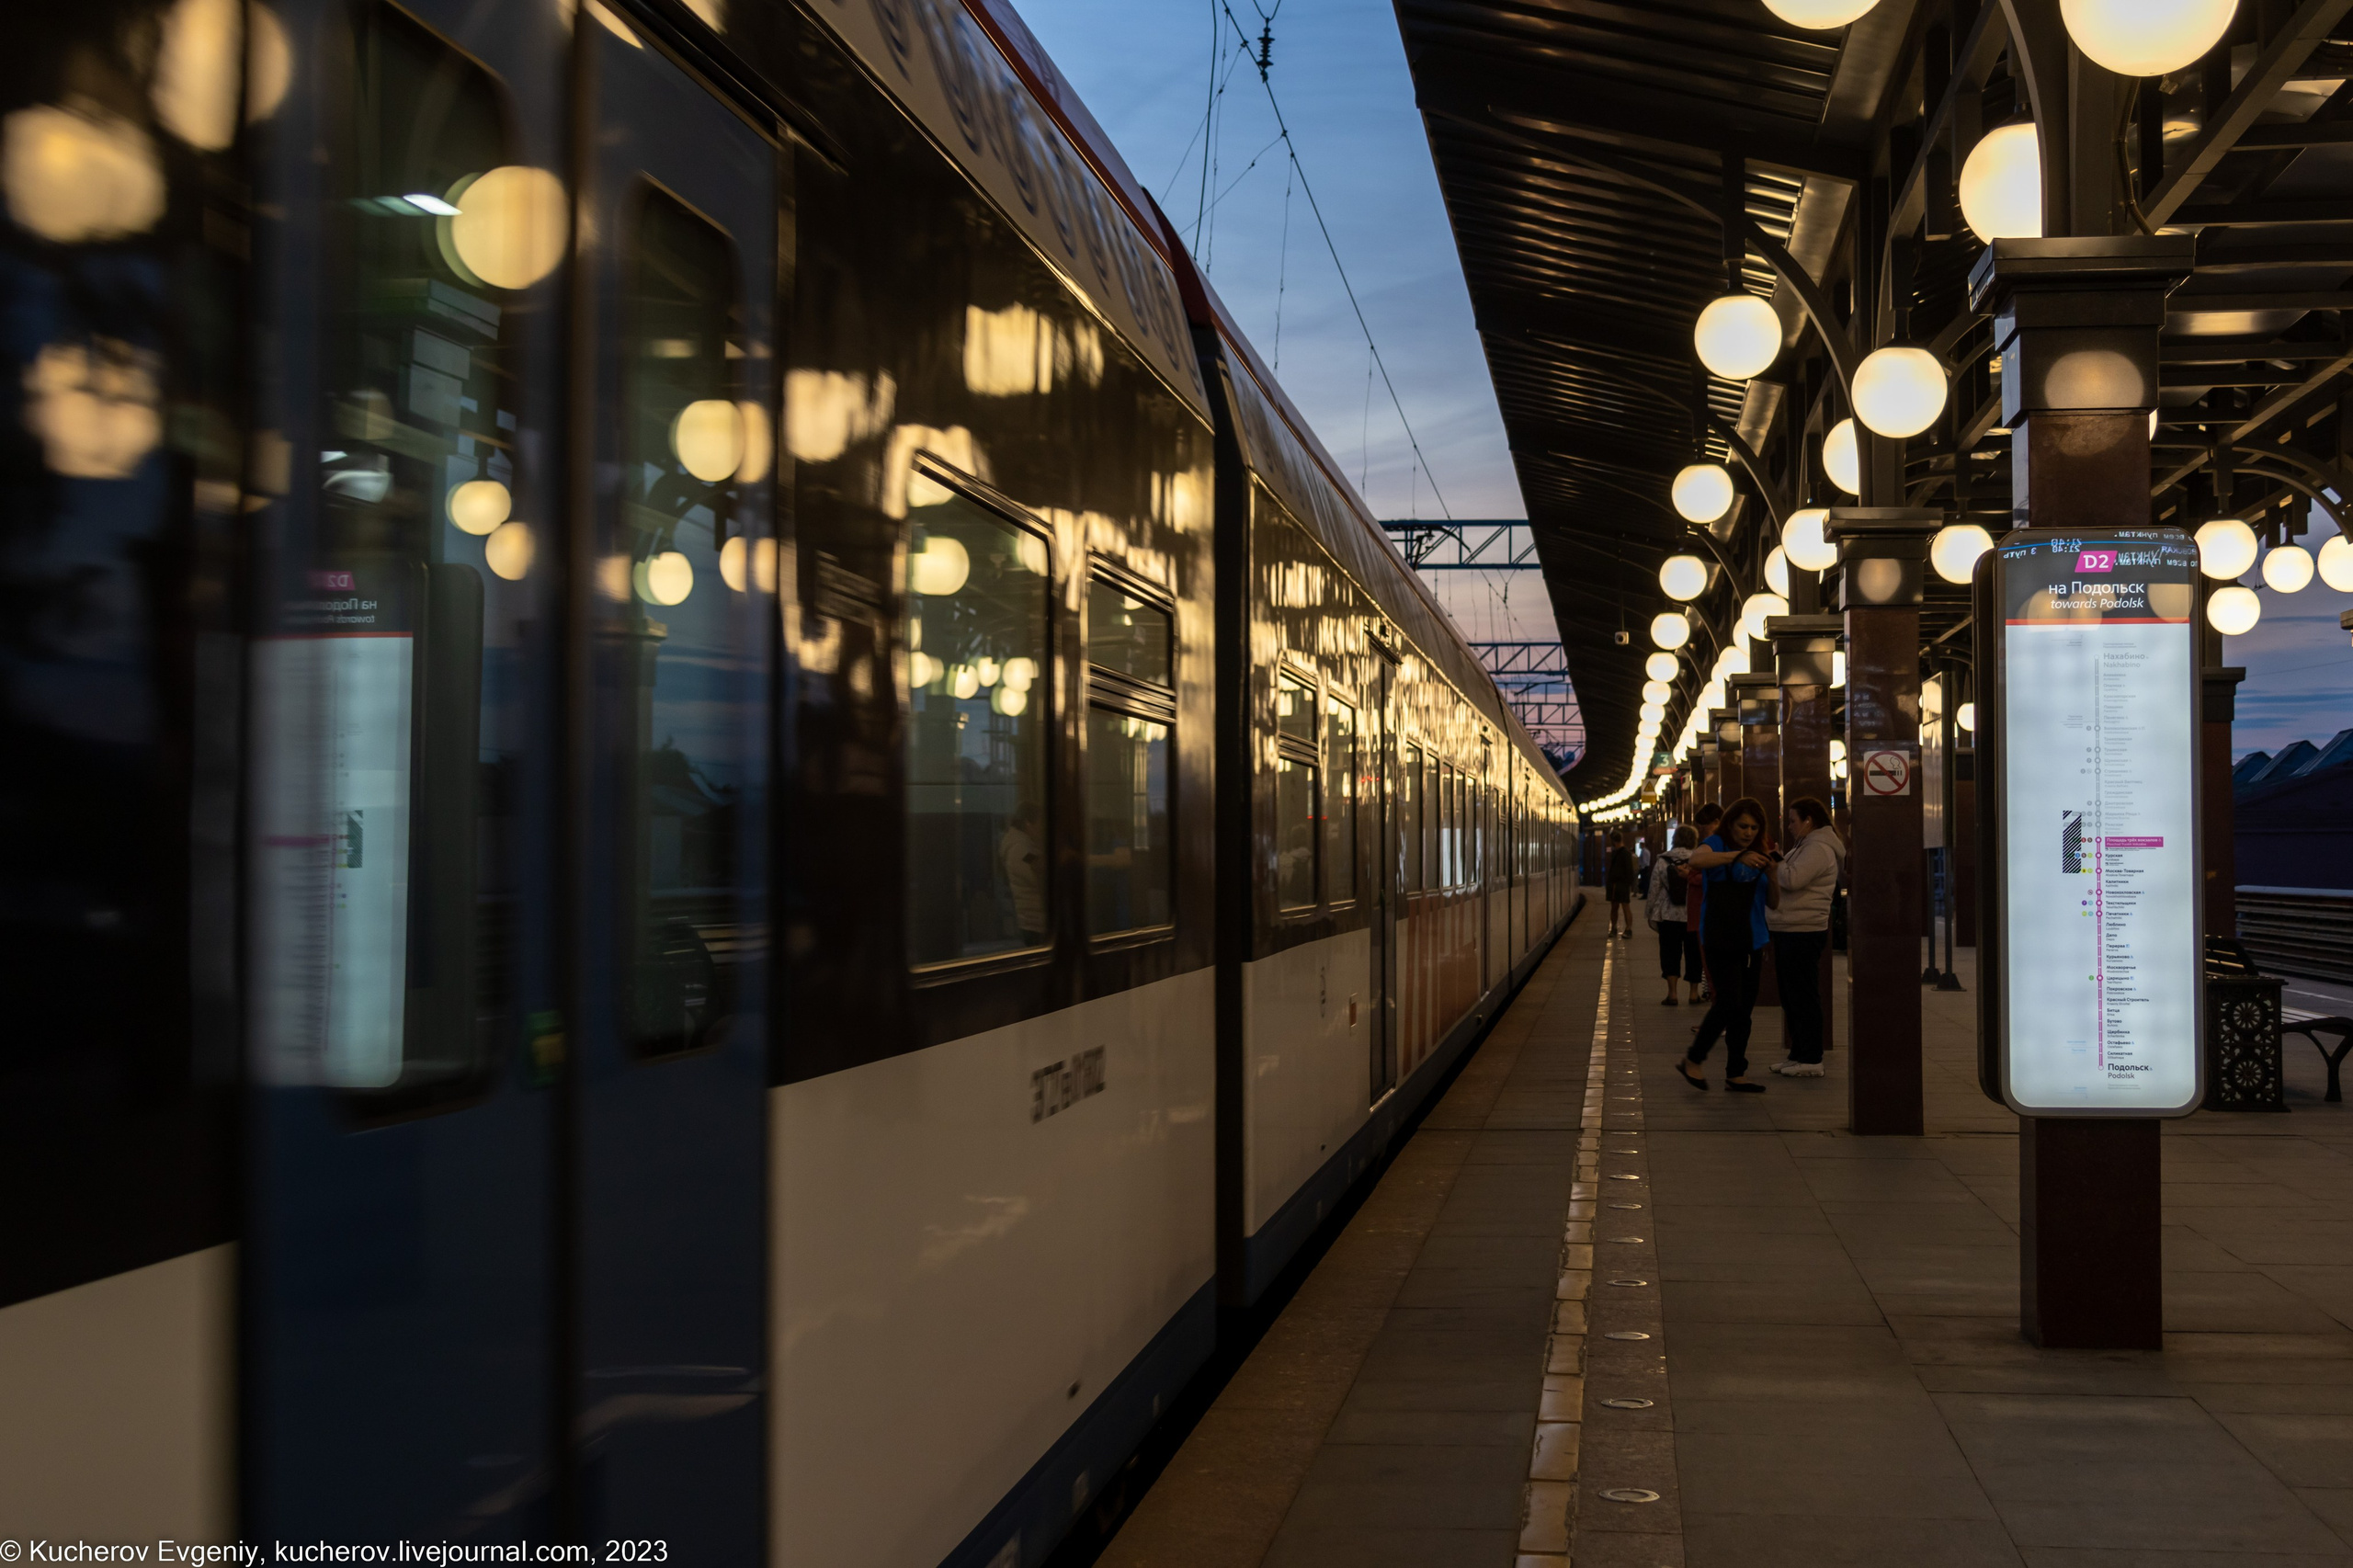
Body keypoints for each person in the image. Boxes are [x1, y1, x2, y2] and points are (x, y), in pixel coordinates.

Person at [1676, 797, 1777, 1093]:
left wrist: (1772, 876)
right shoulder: (1716, 843)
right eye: (1743, 826)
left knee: (1744, 1009)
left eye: (1754, 828)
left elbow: (1773, 902)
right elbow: (1696, 860)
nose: (1747, 832)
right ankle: (1693, 1059)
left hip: (1753, 937)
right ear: (1730, 823)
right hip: (1720, 936)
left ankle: (1736, 1072)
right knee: (1729, 1000)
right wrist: (1737, 856)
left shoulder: (1760, 851)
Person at [1768, 797, 1846, 1077]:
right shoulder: (1805, 846)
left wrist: (1776, 862)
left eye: (1792, 820)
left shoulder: (1819, 848)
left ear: (1809, 820)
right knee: (1791, 996)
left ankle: (1812, 1057)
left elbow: (1792, 880)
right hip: (1790, 928)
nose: (1788, 826)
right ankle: (1798, 1053)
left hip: (1804, 930)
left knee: (1803, 995)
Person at [1646, 824, 1701, 1005]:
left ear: (1674, 839)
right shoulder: (1699, 859)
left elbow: (1654, 889)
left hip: (1668, 915)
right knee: (1694, 954)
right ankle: (1694, 994)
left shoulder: (1663, 861)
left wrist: (1650, 913)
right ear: (1694, 840)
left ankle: (1673, 994)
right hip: (1694, 914)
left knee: (1670, 953)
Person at [1000, 801, 1048, 947]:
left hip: (1034, 920)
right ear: (1028, 824)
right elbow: (1039, 871)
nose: (1043, 828)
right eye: (1040, 823)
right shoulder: (1021, 849)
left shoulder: (1022, 846)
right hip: (1035, 922)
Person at [1604, 828, 1635, 937]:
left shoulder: (1623, 853)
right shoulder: (1622, 852)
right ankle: (1626, 929)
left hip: (1619, 883)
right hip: (1618, 884)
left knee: (1620, 906)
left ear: (1613, 841)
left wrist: (1627, 884)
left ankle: (1618, 928)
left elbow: (1628, 870)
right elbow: (1630, 870)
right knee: (1621, 906)